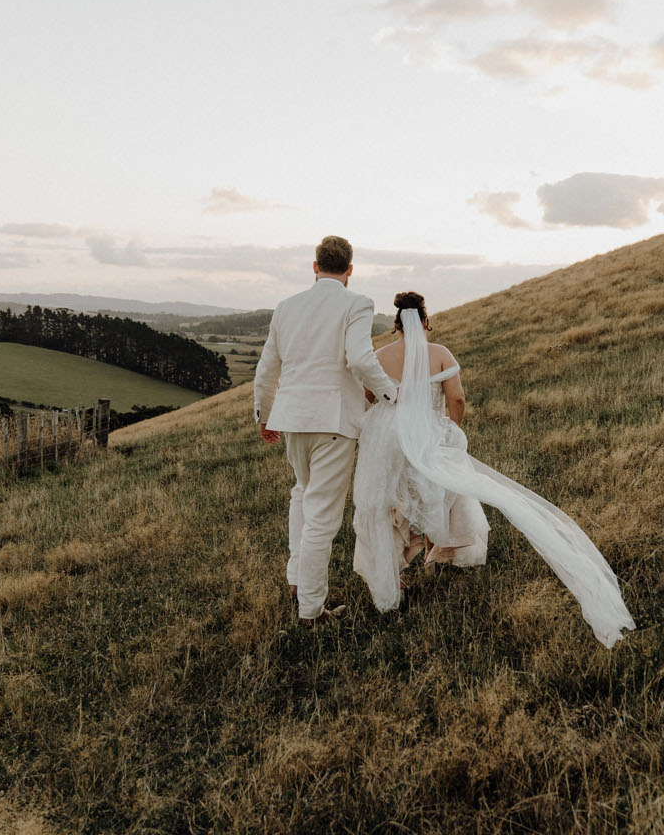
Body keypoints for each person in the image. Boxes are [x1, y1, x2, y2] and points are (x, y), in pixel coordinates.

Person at [352, 291, 635, 648]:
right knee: (433, 491)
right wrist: (451, 427)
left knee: (389, 501)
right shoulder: (439, 354)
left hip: (386, 438)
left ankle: (395, 577)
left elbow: (368, 394)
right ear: (425, 321)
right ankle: (435, 551)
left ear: (396, 325)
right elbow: (456, 397)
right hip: (427, 432)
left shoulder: (380, 356)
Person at [254, 236, 399, 626]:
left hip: (292, 420)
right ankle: (311, 612)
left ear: (314, 266)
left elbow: (267, 368)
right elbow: (360, 357)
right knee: (321, 517)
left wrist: (264, 415)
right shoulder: (357, 303)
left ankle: (296, 582)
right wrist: (391, 394)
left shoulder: (287, 307)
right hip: (334, 422)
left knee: (302, 495)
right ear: (350, 270)